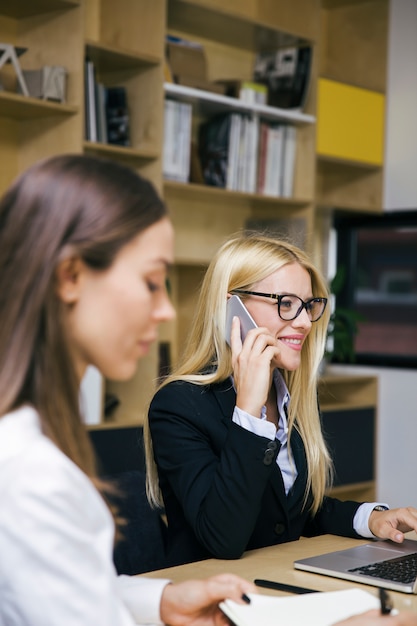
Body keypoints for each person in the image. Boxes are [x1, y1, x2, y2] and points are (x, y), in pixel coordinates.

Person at [0, 154, 256, 626]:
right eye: (151, 282)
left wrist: (159, 601)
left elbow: (61, 588)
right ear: (71, 275)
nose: (166, 311)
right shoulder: (30, 476)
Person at [145, 233, 417, 569]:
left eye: (308, 305)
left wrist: (371, 519)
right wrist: (248, 413)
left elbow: (292, 510)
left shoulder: (290, 395)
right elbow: (222, 537)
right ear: (232, 308)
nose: (304, 322)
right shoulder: (179, 406)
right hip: (208, 598)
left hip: (275, 584)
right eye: (286, 303)